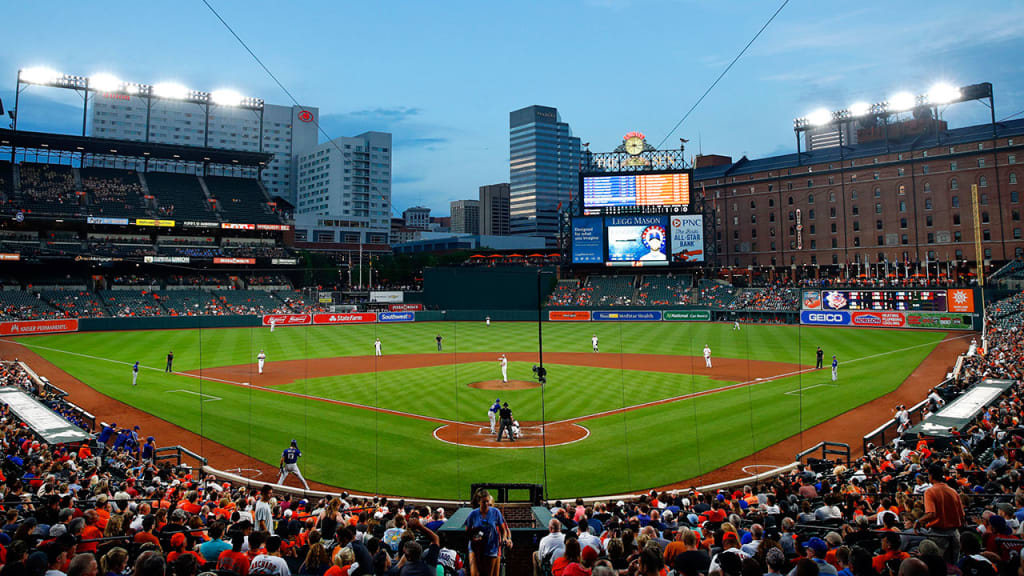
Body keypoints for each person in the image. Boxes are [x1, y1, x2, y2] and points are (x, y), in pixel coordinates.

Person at [466, 489, 510, 576]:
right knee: (475, 574)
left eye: (487, 501)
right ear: (479, 502)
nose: (486, 504)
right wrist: (475, 537)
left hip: (491, 546)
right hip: (476, 547)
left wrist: (505, 538)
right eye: (484, 502)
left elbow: (503, 529)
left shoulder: (495, 512)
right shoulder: (473, 514)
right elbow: (467, 531)